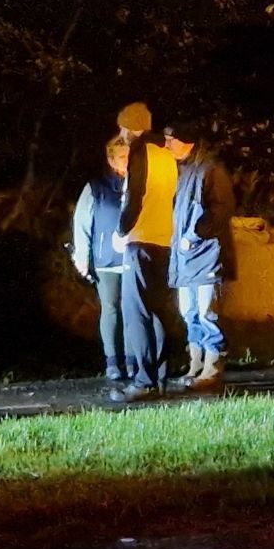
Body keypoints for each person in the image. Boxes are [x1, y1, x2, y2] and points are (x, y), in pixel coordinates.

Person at [110, 101, 178, 403]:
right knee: (160, 311)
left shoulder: (140, 152)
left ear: (131, 127)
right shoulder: (167, 154)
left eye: (123, 128)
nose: (121, 134)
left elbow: (135, 196)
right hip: (165, 240)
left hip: (140, 240)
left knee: (136, 311)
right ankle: (160, 377)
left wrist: (121, 230)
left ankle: (142, 381)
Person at [164, 119, 237, 391]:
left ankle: (212, 366)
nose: (167, 145)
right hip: (186, 257)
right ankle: (195, 364)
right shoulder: (183, 171)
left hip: (206, 256)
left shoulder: (211, 170)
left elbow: (221, 209)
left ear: (187, 141)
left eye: (171, 140)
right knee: (189, 312)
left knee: (207, 312)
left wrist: (193, 236)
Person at [71, 136, 132, 381]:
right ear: (110, 159)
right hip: (106, 260)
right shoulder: (96, 188)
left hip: (133, 258)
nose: (127, 161)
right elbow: (82, 223)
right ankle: (113, 361)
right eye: (122, 157)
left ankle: (133, 360)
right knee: (111, 308)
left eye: (130, 156)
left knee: (132, 310)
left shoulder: (139, 184)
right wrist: (82, 257)